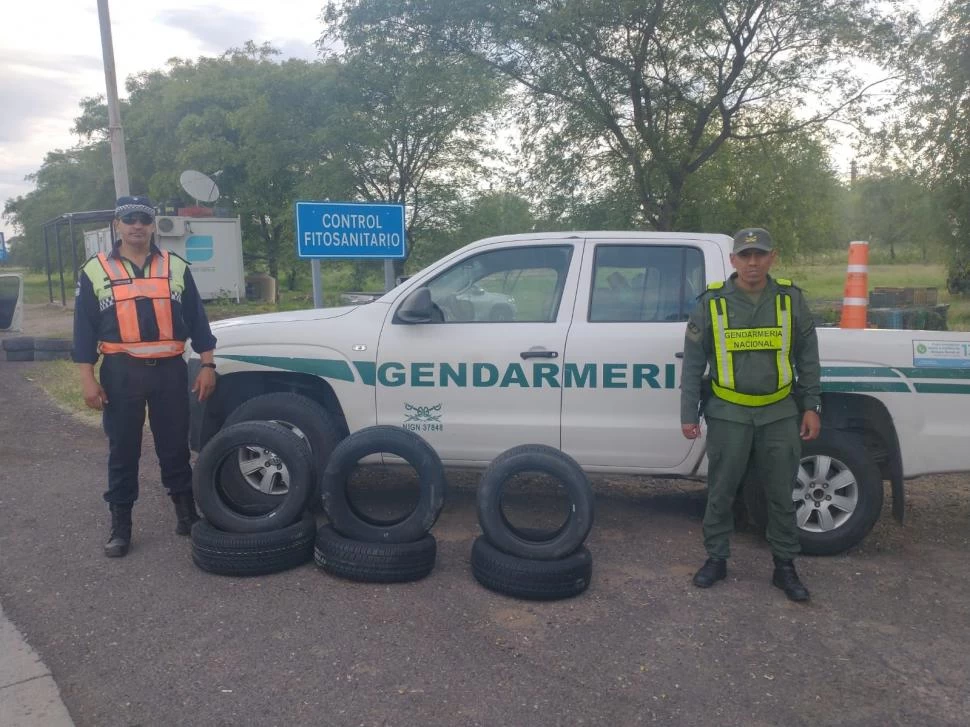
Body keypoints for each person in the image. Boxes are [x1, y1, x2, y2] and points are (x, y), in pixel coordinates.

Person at [680, 227, 821, 601]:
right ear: (733, 261)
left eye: (760, 255)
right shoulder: (712, 302)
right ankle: (716, 559)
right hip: (728, 413)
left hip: (778, 412)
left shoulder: (790, 299)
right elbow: (693, 363)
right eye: (745, 256)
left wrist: (811, 406)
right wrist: (688, 413)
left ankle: (784, 566)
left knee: (779, 492)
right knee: (721, 491)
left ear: (772, 257)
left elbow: (808, 356)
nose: (753, 262)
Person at [72, 195, 218, 558]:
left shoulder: (176, 266)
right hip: (121, 373)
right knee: (123, 450)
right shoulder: (94, 270)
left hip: (169, 371)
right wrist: (87, 378)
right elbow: (83, 330)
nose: (137, 225)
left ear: (153, 225)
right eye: (129, 219)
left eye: (143, 219)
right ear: (117, 225)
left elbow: (198, 320)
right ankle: (121, 527)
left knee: (174, 446)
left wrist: (208, 365)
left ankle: (186, 515)